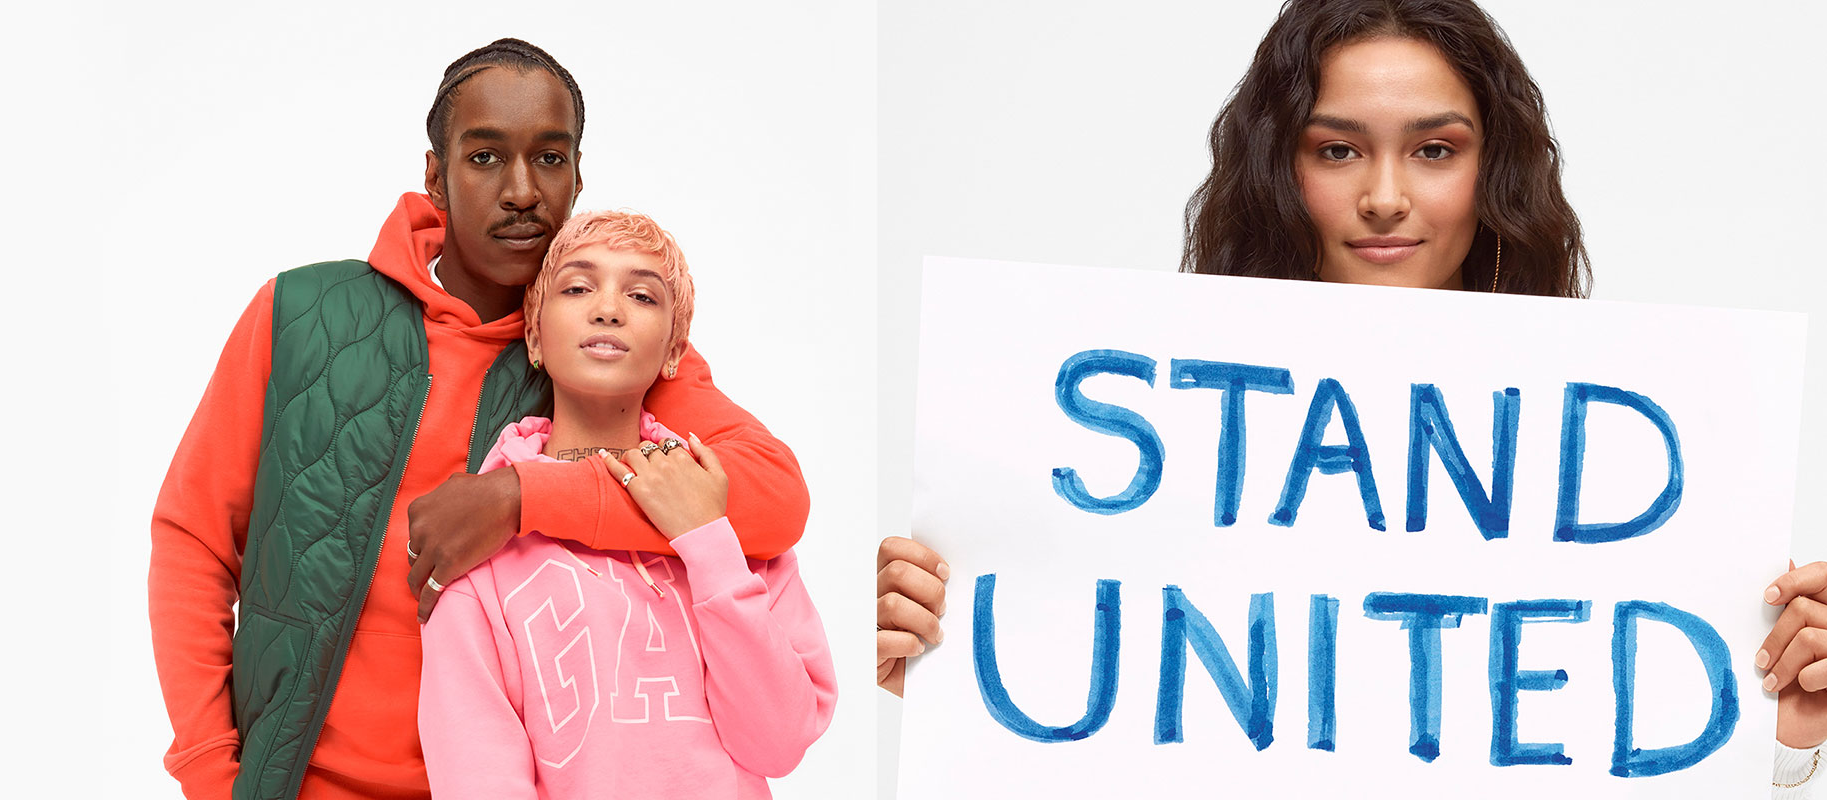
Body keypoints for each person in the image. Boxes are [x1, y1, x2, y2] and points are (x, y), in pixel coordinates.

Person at [874, 0, 1825, 794]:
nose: (1383, 196)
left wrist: (1781, 738)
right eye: (1336, 152)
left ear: (1489, 174)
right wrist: (963, 690)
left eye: (1434, 151)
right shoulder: (1155, 436)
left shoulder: (1607, 454)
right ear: (1280, 174)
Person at [151, 39, 809, 800]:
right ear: (436, 175)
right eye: (486, 157)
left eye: (551, 159)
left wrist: (519, 497)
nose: (523, 190)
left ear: (577, 177)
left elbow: (772, 500)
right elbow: (194, 542)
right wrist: (208, 770)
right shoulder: (301, 317)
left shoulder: (606, 355)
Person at [418, 210, 835, 798]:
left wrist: (707, 541)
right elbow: (478, 778)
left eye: (641, 295)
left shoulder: (730, 523)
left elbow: (781, 741)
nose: (608, 308)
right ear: (535, 337)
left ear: (674, 351)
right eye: (578, 287)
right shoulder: (479, 545)